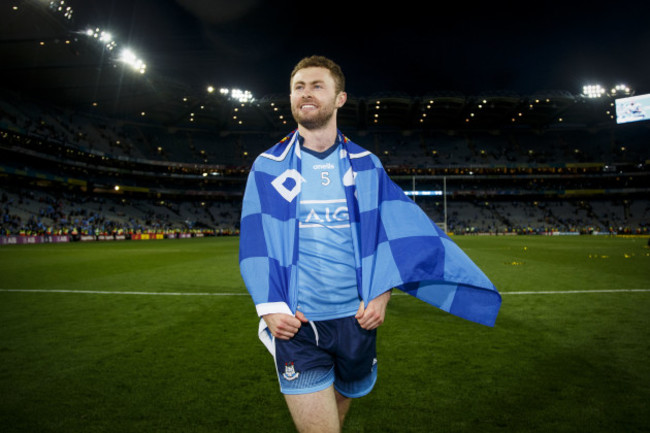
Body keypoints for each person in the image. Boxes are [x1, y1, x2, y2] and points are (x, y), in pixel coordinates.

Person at [239, 55, 501, 433]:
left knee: (342, 404)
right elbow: (254, 240)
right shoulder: (268, 165)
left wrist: (383, 294)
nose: (306, 93)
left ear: (340, 99)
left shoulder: (365, 165)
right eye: (299, 87)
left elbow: (395, 234)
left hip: (356, 320)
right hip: (298, 325)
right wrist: (268, 305)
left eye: (317, 86)